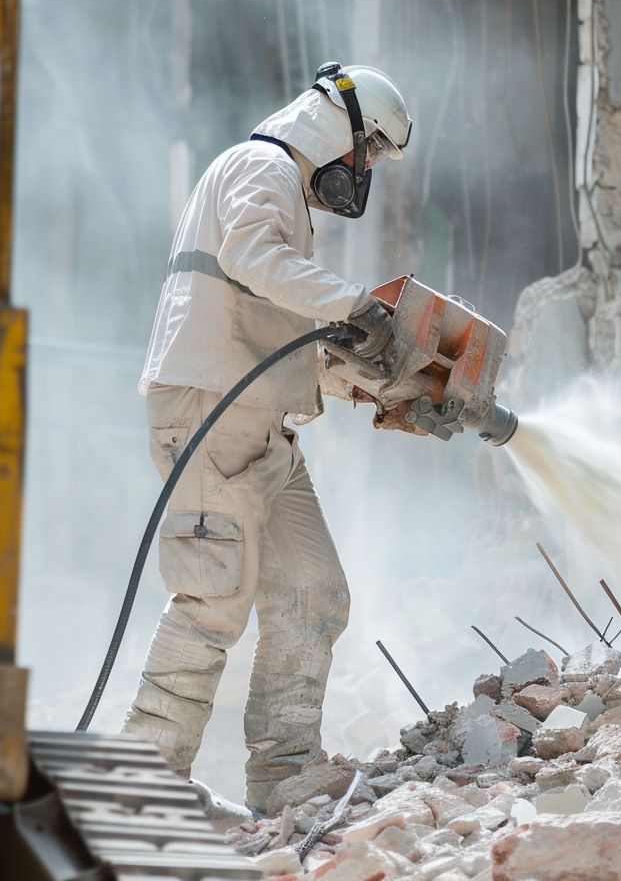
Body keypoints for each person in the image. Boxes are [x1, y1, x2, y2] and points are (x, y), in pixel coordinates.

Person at [122, 63, 412, 811]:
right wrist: (357, 305)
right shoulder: (263, 166)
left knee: (315, 591)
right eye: (370, 150)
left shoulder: (280, 192)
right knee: (214, 598)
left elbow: (276, 329)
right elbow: (253, 261)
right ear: (340, 126)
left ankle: (284, 781)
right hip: (210, 411)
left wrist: (375, 382)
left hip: (255, 423)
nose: (366, 168)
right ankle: (144, 791)